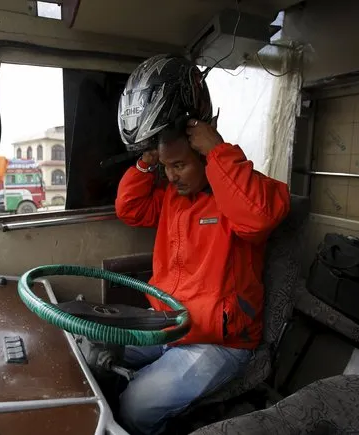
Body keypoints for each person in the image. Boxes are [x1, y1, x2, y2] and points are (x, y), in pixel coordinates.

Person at [114, 54, 291, 435]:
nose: (171, 176)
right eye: (165, 167)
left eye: (179, 165)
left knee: (135, 406)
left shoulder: (242, 196)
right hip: (166, 326)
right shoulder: (172, 198)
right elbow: (129, 209)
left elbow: (258, 217)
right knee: (91, 348)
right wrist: (147, 162)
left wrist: (217, 150)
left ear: (204, 156)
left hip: (218, 342)